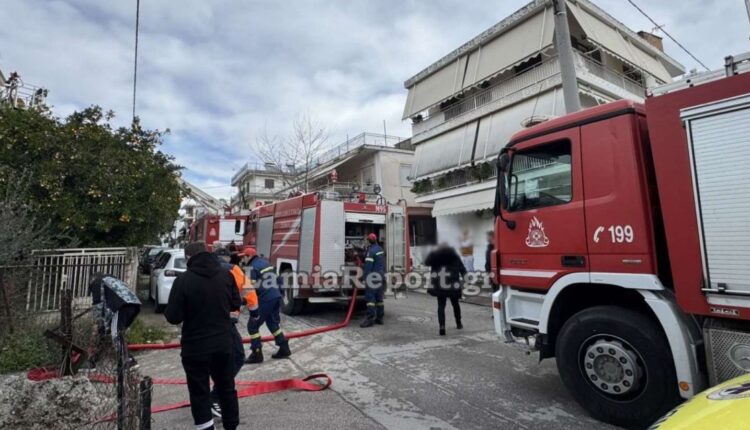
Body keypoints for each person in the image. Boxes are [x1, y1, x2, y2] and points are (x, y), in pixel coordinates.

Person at [165, 241, 241, 430]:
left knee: (199, 393)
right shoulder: (226, 275)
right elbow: (235, 303)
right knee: (227, 389)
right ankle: (231, 426)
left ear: (188, 258)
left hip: (195, 347)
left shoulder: (183, 280)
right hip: (223, 344)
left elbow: (173, 317)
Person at [208, 250, 247, 418]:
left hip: (202, 326)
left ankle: (209, 397)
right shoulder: (232, 270)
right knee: (237, 357)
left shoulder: (195, 273)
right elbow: (248, 294)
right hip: (224, 324)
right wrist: (254, 313)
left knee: (209, 362)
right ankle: (216, 396)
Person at [241, 247, 291, 364]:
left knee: (252, 325)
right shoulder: (266, 263)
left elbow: (250, 289)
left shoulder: (251, 268)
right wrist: (280, 293)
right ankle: (284, 348)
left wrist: (243, 302)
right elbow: (279, 279)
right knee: (272, 323)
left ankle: (257, 353)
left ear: (249, 256)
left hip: (265, 299)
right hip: (275, 296)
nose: (242, 259)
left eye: (243, 257)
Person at [424, 243, 466, 336]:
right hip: (453, 284)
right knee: (455, 304)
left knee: (441, 305)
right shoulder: (455, 256)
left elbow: (427, 263)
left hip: (441, 284)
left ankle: (442, 327)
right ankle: (458, 323)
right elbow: (462, 269)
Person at [360, 233, 386, 328]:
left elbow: (368, 267)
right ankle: (380, 318)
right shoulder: (380, 249)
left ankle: (370, 319)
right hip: (380, 276)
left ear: (369, 241)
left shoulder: (370, 252)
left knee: (370, 298)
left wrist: (364, 278)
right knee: (379, 298)